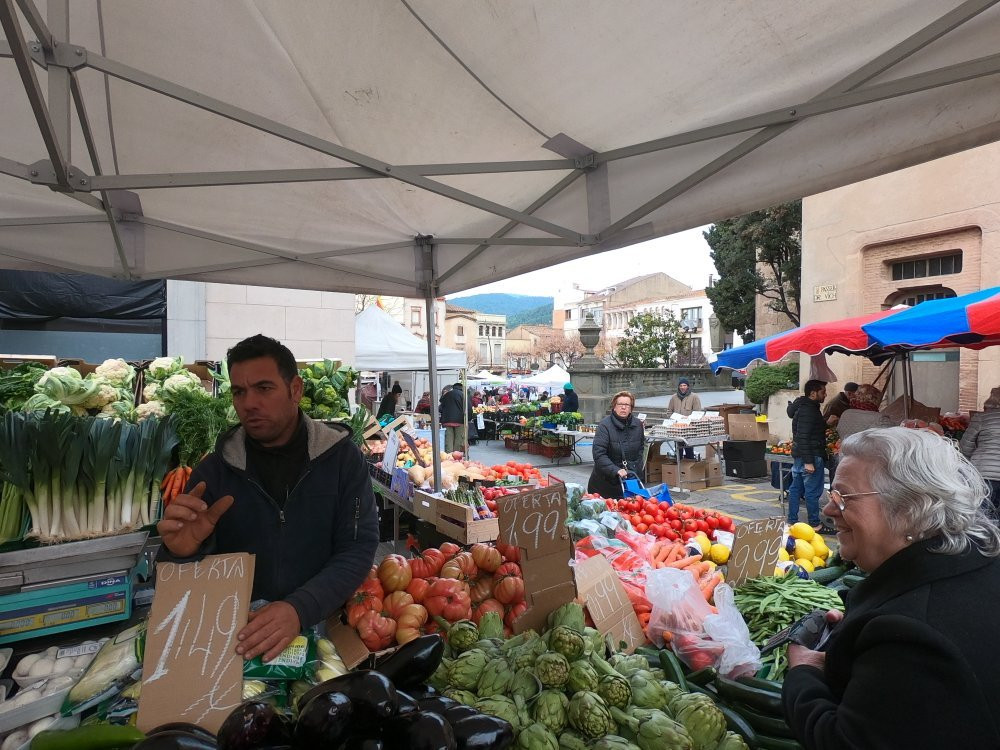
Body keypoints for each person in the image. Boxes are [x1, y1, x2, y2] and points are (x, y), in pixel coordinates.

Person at [156, 334, 379, 662]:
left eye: (263, 388)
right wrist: (179, 555)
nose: (248, 403)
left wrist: (299, 608)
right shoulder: (214, 473)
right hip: (240, 638)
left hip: (328, 627)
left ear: (295, 390)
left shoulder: (341, 459)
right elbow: (180, 584)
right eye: (239, 392)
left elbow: (358, 547)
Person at [782, 427, 1000, 748]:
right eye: (831, 496)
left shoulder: (908, 635)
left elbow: (844, 741)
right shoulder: (981, 561)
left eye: (844, 497)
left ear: (909, 508)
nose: (829, 510)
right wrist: (857, 639)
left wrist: (803, 672)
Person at [786, 379, 829, 532]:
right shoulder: (809, 410)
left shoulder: (804, 407)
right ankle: (814, 524)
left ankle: (792, 521)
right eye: (822, 392)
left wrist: (826, 423)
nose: (825, 395)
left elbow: (808, 431)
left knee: (796, 488)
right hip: (810, 455)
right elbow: (803, 436)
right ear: (813, 393)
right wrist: (809, 462)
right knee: (812, 491)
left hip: (801, 455)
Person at [588, 391, 644, 499]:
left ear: (631, 408)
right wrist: (616, 470)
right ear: (614, 407)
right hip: (605, 484)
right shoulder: (605, 425)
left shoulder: (638, 425)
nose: (623, 407)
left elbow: (641, 450)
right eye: (620, 404)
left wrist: (635, 469)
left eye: (627, 405)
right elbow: (599, 455)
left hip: (630, 481)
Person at [960, 397, 1000, 510]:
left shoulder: (982, 417)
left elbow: (965, 446)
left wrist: (967, 465)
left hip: (983, 473)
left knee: (981, 515)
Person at [667, 377, 703, 459]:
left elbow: (698, 413)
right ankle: (679, 468)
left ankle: (688, 467)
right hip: (677, 428)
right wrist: (674, 418)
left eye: (684, 385)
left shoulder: (694, 397)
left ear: (688, 386)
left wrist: (688, 418)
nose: (682, 387)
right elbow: (669, 412)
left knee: (689, 450)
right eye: (681, 385)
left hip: (689, 429)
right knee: (678, 451)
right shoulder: (674, 397)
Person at [440, 382, 467, 454]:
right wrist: (468, 419)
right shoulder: (463, 395)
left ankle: (448, 456)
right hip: (459, 421)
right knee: (458, 440)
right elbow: (468, 409)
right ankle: (456, 457)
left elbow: (440, 408)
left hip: (447, 421)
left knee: (448, 440)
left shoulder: (447, 395)